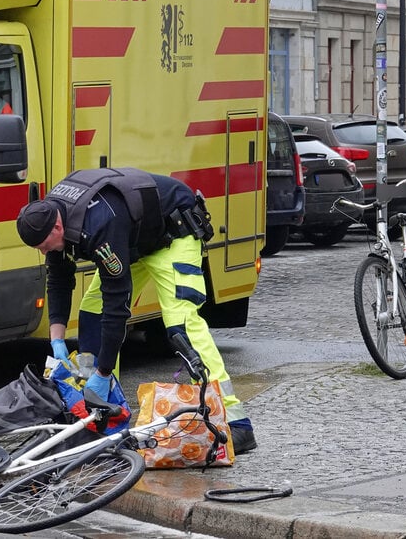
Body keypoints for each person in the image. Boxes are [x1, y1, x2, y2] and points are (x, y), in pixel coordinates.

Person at [16, 167, 257, 455]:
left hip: (173, 234)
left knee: (181, 326)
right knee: (92, 313)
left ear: (57, 227)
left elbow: (117, 306)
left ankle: (233, 421)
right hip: (134, 240)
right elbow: (58, 279)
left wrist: (102, 372)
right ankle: (104, 415)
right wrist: (56, 340)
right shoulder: (50, 215)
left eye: (45, 247)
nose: (44, 253)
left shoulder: (99, 225)